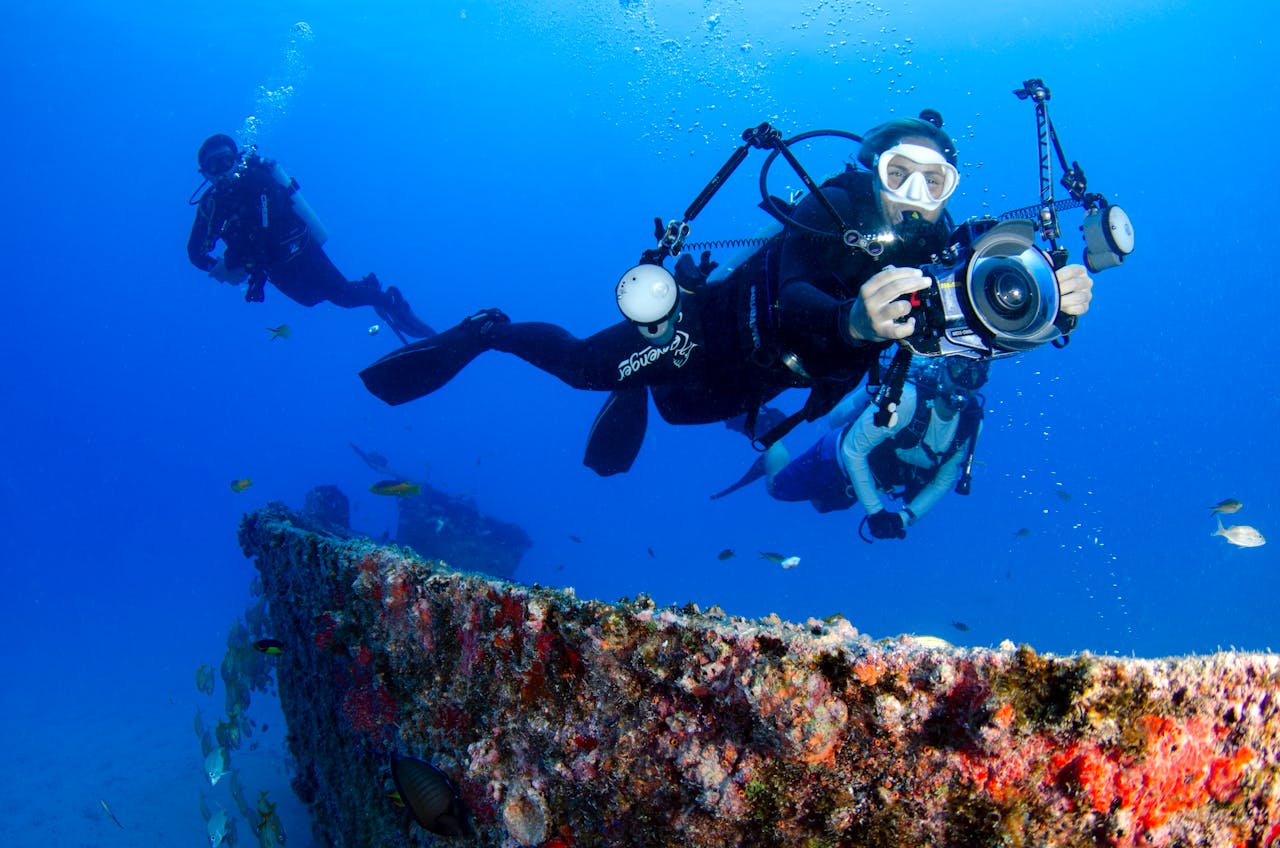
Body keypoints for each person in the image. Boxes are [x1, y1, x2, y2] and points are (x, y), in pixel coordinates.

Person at [359, 112, 1092, 472]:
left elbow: (971, 316)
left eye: (935, 185)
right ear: (871, 170)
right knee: (588, 368)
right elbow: (797, 293)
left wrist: (1048, 301)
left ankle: (643, 391)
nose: (915, 197)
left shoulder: (937, 243)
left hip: (756, 384)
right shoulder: (828, 207)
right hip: (704, 334)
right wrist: (853, 325)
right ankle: (488, 329)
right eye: (901, 173)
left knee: (680, 413)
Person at [186, 134, 434, 340]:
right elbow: (195, 254)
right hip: (273, 267)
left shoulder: (257, 182)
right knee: (311, 299)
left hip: (298, 249)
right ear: (204, 173)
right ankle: (368, 286)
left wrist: (243, 265)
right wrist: (220, 266)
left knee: (342, 296)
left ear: (236, 160)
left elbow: (268, 235)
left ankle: (393, 302)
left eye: (226, 161)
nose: (222, 171)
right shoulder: (211, 206)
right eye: (213, 166)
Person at [713, 357, 988, 541]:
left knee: (820, 505)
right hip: (833, 460)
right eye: (959, 369)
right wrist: (876, 512)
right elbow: (852, 451)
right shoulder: (905, 400)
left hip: (865, 484)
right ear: (942, 369)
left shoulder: (970, 425)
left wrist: (903, 519)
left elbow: (944, 480)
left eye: (976, 374)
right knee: (777, 489)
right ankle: (769, 431)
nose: (965, 381)